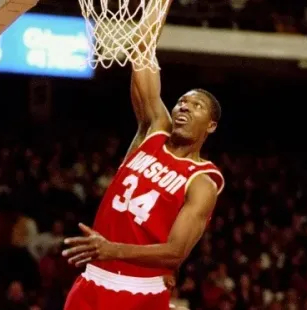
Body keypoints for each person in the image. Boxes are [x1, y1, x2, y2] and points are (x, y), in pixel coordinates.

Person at [63, 0, 224, 309]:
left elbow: (176, 251)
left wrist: (113, 250)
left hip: (139, 291)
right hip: (92, 278)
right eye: (181, 102)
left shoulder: (202, 180)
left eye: (196, 106)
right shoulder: (154, 131)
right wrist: (158, 5)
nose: (184, 107)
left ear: (211, 126)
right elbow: (142, 54)